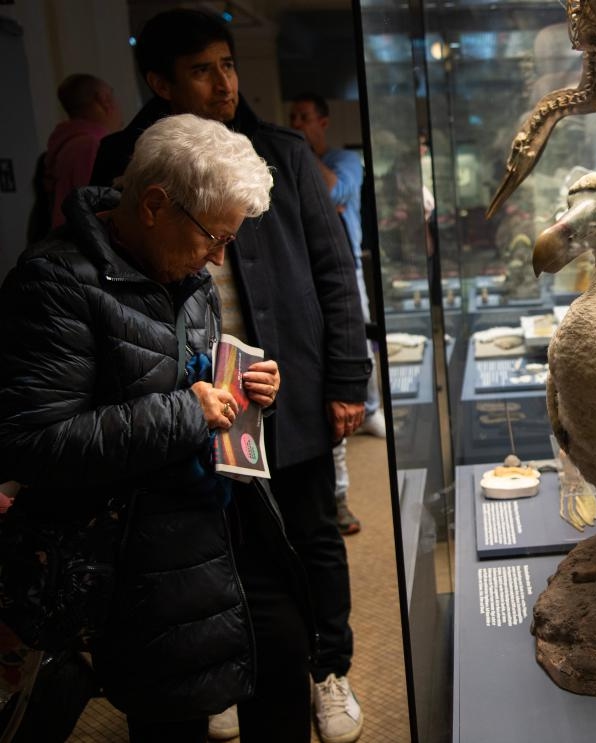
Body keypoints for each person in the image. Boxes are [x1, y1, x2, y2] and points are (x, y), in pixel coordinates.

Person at [91, 10, 370, 742]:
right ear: (159, 81)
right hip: (175, 389)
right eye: (200, 70)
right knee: (207, 539)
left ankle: (327, 667)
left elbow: (334, 268)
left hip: (279, 381)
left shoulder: (280, 150)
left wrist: (348, 375)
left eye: (229, 64)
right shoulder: (125, 159)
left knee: (310, 531)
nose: (223, 83)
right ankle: (222, 670)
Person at [0, 113, 310, 742]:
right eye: (213, 237)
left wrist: (247, 393)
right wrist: (186, 412)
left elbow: (195, 376)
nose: (219, 257)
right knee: (174, 715)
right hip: (134, 556)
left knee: (283, 659)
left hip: (220, 519)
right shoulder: (52, 282)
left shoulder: (185, 267)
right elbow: (30, 444)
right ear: (152, 206)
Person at [289, 92, 384, 537]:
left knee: (357, 340)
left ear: (323, 121)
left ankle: (370, 408)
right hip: (309, 275)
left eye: (305, 116)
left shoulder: (345, 159)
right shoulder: (290, 162)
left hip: (346, 268)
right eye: (293, 117)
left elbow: (331, 191)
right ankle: (336, 492)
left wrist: (305, 154)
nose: (297, 122)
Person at [27, 74, 123, 242]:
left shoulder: (66, 144)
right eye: (112, 96)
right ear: (104, 100)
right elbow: (95, 204)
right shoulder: (90, 146)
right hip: (86, 243)